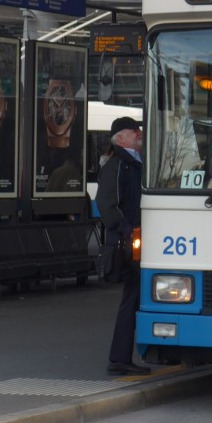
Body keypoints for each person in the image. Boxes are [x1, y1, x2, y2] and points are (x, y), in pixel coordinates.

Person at [96, 116, 150, 376]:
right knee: (134, 297)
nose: (139, 132)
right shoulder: (118, 165)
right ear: (120, 138)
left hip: (135, 241)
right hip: (129, 244)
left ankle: (122, 356)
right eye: (133, 130)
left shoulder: (134, 163)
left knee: (137, 296)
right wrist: (128, 230)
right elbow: (106, 204)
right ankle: (119, 358)